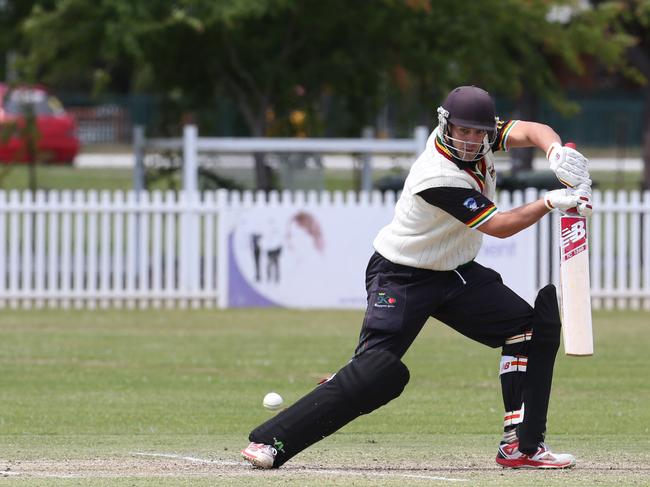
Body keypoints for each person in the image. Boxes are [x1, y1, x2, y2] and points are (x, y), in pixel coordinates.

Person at [240, 85, 592, 470]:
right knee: (375, 374)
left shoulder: (481, 138)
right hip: (402, 275)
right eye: (464, 131)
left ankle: (520, 445)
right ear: (446, 126)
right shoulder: (437, 175)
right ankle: (271, 442)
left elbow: (532, 129)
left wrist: (556, 152)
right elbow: (501, 226)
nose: (472, 141)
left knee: (526, 328)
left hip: (454, 273)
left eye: (480, 133)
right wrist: (548, 202)